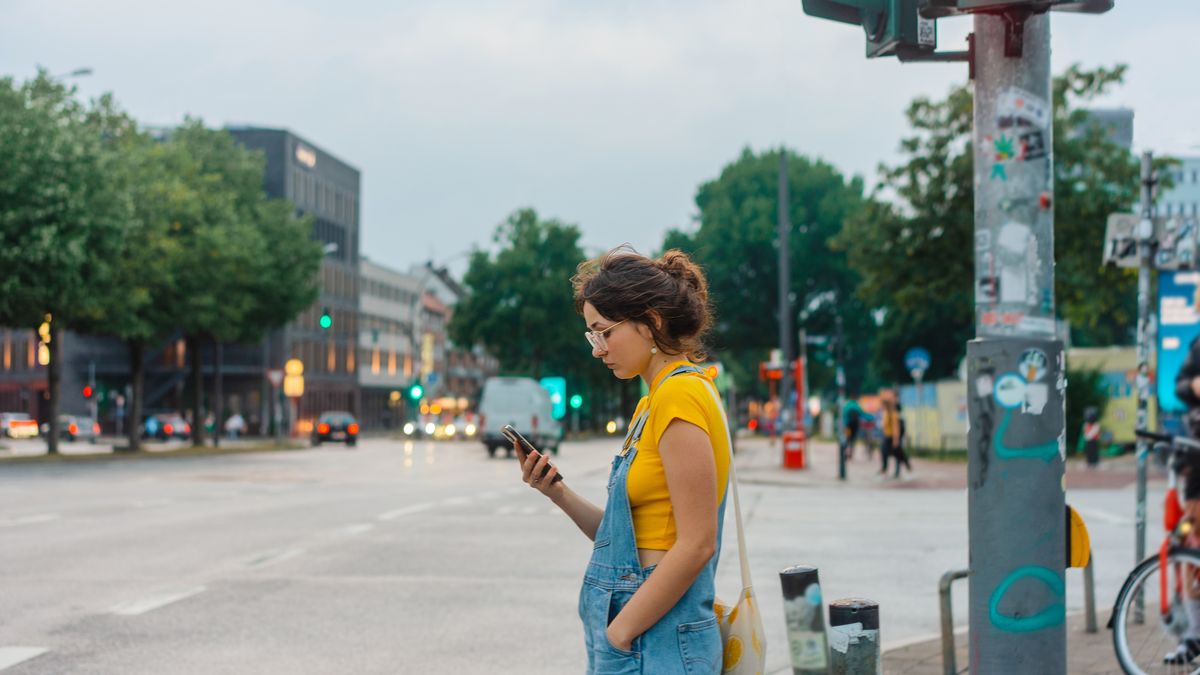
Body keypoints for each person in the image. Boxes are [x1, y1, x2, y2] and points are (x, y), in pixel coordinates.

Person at [516, 247, 732, 673]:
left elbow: (697, 543)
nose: (598, 349)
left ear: (649, 323)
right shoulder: (652, 403)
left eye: (603, 332)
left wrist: (621, 632)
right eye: (591, 336)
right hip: (643, 634)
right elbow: (623, 540)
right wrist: (557, 492)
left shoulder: (678, 396)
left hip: (656, 638)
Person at [1166, 338, 1200, 664]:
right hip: (1198, 465)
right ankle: (1193, 636)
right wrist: (1192, 384)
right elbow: (1180, 385)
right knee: (1191, 546)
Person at [891, 402, 912, 478]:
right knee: (898, 454)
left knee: (898, 454)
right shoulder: (900, 417)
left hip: (899, 439)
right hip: (899, 438)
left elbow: (900, 429)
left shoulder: (897, 417)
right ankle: (904, 466)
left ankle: (900, 469)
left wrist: (896, 439)